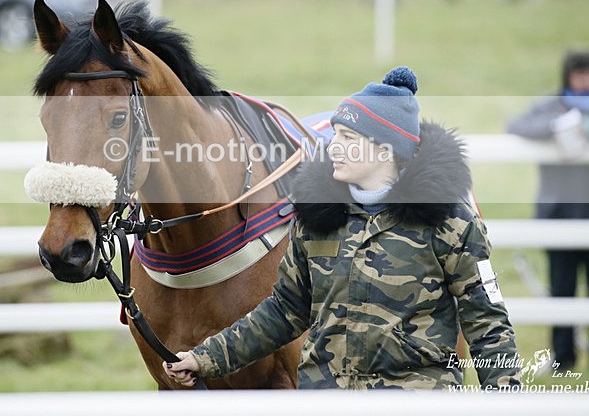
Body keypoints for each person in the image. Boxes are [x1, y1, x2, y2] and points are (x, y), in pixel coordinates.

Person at [165, 66, 522, 389]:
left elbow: (486, 323)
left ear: (386, 150)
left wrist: (506, 400)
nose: (332, 147)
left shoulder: (451, 223)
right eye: (335, 135)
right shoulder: (316, 219)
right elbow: (283, 311)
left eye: (348, 139)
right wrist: (204, 358)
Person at [507, 50, 589, 369]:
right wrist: (559, 126)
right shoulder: (549, 105)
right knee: (562, 291)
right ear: (567, 77)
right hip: (559, 214)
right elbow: (517, 125)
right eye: (578, 74)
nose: (584, 81)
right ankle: (563, 360)